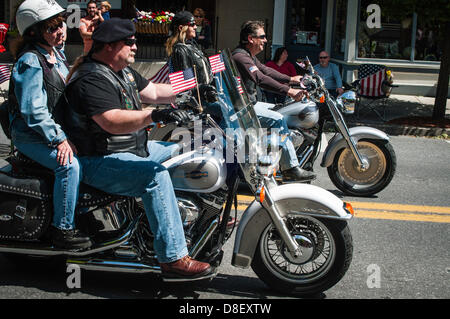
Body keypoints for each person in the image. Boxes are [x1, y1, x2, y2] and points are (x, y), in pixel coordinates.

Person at [62, 18, 211, 279]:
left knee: (186, 153)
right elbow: (111, 121)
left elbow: (154, 90)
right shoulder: (91, 77)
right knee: (154, 176)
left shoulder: (124, 72)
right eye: (129, 42)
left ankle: (198, 220)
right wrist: (156, 116)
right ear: (109, 46)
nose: (135, 46)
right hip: (98, 158)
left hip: (131, 148)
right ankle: (173, 257)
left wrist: (196, 87)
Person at [9, 0, 90, 249]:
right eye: (52, 28)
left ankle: (83, 215)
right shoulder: (31, 61)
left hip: (53, 130)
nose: (60, 31)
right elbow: (33, 111)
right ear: (33, 32)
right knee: (69, 167)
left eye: (61, 24)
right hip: (31, 135)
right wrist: (59, 139)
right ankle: (62, 229)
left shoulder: (56, 55)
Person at [232, 20, 316, 182]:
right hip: (242, 107)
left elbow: (266, 70)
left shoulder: (248, 56)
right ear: (251, 39)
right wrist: (289, 90)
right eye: (262, 37)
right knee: (278, 118)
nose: (265, 40)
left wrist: (291, 79)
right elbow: (260, 78)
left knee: (282, 109)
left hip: (249, 104)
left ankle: (275, 156)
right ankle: (290, 168)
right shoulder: (240, 56)